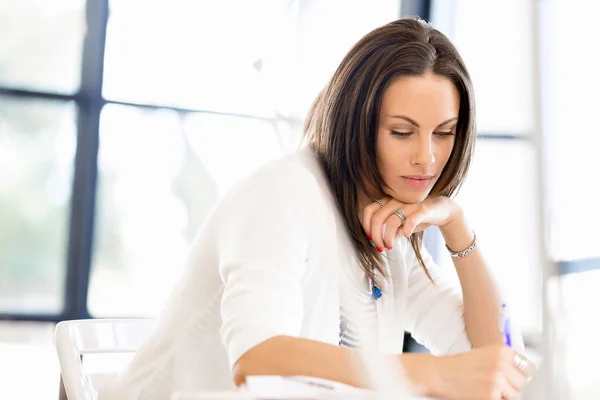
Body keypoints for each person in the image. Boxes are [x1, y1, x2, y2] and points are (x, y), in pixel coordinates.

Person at [107, 17, 533, 400]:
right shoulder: (284, 192)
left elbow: (496, 363)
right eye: (402, 132)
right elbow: (257, 358)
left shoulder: (388, 235)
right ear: (356, 122)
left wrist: (456, 224)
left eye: (444, 133)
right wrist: (431, 373)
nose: (427, 157)